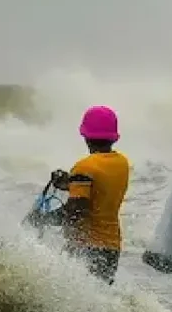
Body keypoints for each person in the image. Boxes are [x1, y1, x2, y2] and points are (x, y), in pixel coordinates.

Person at [29, 105, 132, 283]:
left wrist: (43, 218)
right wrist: (69, 183)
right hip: (111, 247)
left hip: (86, 247)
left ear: (85, 136)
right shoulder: (121, 163)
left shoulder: (84, 167)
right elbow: (100, 189)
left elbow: (77, 211)